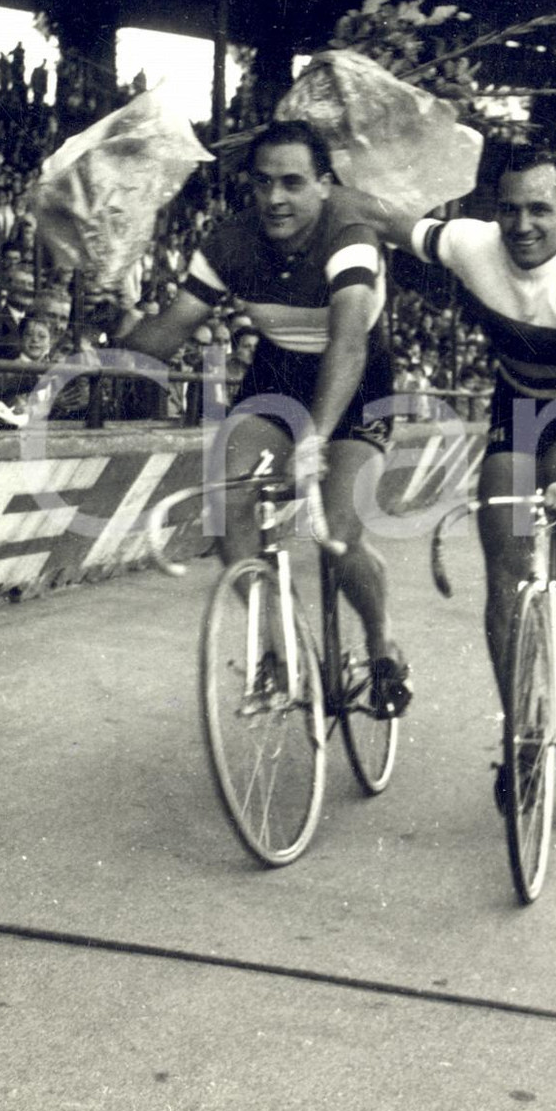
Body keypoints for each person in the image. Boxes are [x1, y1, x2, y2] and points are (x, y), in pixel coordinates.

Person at [115, 120, 412, 717]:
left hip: (357, 379)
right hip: (278, 375)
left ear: (324, 185)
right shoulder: (229, 242)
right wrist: (115, 326)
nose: (275, 197)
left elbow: (348, 343)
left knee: (336, 531)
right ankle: (276, 652)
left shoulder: (350, 236)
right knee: (229, 497)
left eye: (292, 183)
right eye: (263, 182)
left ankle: (381, 645)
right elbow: (166, 336)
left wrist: (315, 439)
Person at [379, 144, 556, 795]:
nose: (523, 225)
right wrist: (330, 193)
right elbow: (388, 222)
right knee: (504, 568)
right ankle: (522, 733)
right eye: (510, 210)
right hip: (517, 404)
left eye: (540, 210)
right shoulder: (471, 243)